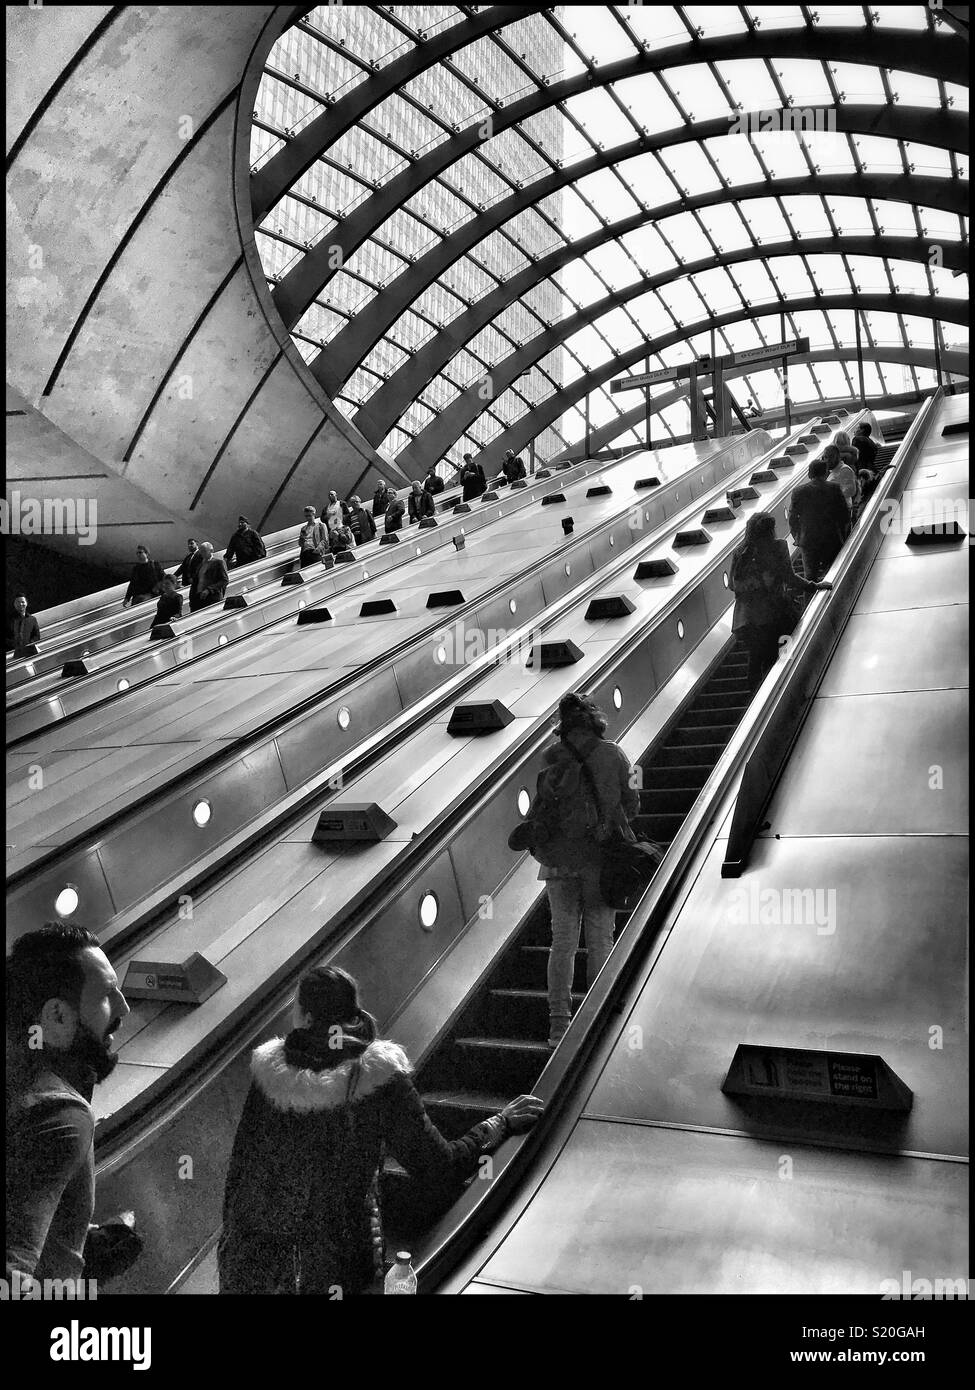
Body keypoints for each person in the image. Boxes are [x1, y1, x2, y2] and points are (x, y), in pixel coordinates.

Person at [217, 965, 543, 1296]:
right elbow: (437, 1166)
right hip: (339, 1261)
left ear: (303, 1013)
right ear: (353, 1009)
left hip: (256, 1258)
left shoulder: (269, 1072)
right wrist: (498, 1123)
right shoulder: (376, 1075)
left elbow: (240, 1169)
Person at [6, 924, 131, 1287]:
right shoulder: (58, 1115)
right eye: (107, 995)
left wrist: (75, 1244)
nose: (124, 1006)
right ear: (57, 1016)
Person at [532, 692, 641, 1049]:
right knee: (599, 940)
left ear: (563, 726)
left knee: (561, 943)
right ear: (594, 720)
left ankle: (557, 1028)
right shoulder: (613, 753)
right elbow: (633, 798)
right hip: (599, 859)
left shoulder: (551, 758)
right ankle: (596, 1019)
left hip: (558, 863)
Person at [729, 512, 832, 692]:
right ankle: (784, 692)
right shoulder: (778, 547)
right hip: (774, 615)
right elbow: (790, 578)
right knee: (780, 654)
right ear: (770, 530)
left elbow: (732, 584)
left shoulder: (739, 553)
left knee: (755, 659)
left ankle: (756, 701)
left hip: (747, 619)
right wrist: (814, 585)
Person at [786, 458, 851, 583]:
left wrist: (798, 537)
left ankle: (810, 599)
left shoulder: (798, 491)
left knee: (810, 578)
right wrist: (842, 535)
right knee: (834, 573)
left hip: (808, 541)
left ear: (809, 474)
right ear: (825, 473)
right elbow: (844, 514)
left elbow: (793, 519)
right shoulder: (834, 488)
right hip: (832, 539)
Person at [188, 542, 229, 612]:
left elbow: (224, 580)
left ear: (211, 550)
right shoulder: (200, 565)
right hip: (198, 599)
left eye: (204, 551)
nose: (202, 554)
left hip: (211, 598)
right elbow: (195, 583)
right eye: (201, 551)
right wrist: (191, 599)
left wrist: (209, 590)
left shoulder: (218, 563)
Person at [822, 444, 858, 519]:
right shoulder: (833, 471)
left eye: (830, 457)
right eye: (825, 457)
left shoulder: (844, 470)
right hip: (836, 512)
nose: (826, 460)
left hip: (842, 513)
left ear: (837, 457)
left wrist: (830, 498)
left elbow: (851, 491)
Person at [297, 505, 329, 569]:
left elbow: (325, 540)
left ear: (314, 514)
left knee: (316, 570)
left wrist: (317, 550)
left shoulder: (320, 525)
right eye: (306, 516)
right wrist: (301, 538)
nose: (308, 518)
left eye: (309, 516)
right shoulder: (304, 528)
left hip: (315, 551)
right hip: (305, 553)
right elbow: (300, 544)